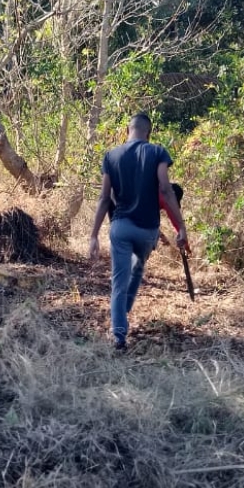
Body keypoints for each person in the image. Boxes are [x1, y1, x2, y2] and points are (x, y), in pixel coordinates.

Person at [87, 113, 188, 351]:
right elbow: (165, 188)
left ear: (127, 131)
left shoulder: (111, 156)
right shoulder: (157, 152)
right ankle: (121, 314)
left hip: (120, 227)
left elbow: (104, 199)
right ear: (148, 133)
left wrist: (93, 236)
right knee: (136, 272)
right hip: (147, 231)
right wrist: (181, 227)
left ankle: (119, 335)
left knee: (119, 282)